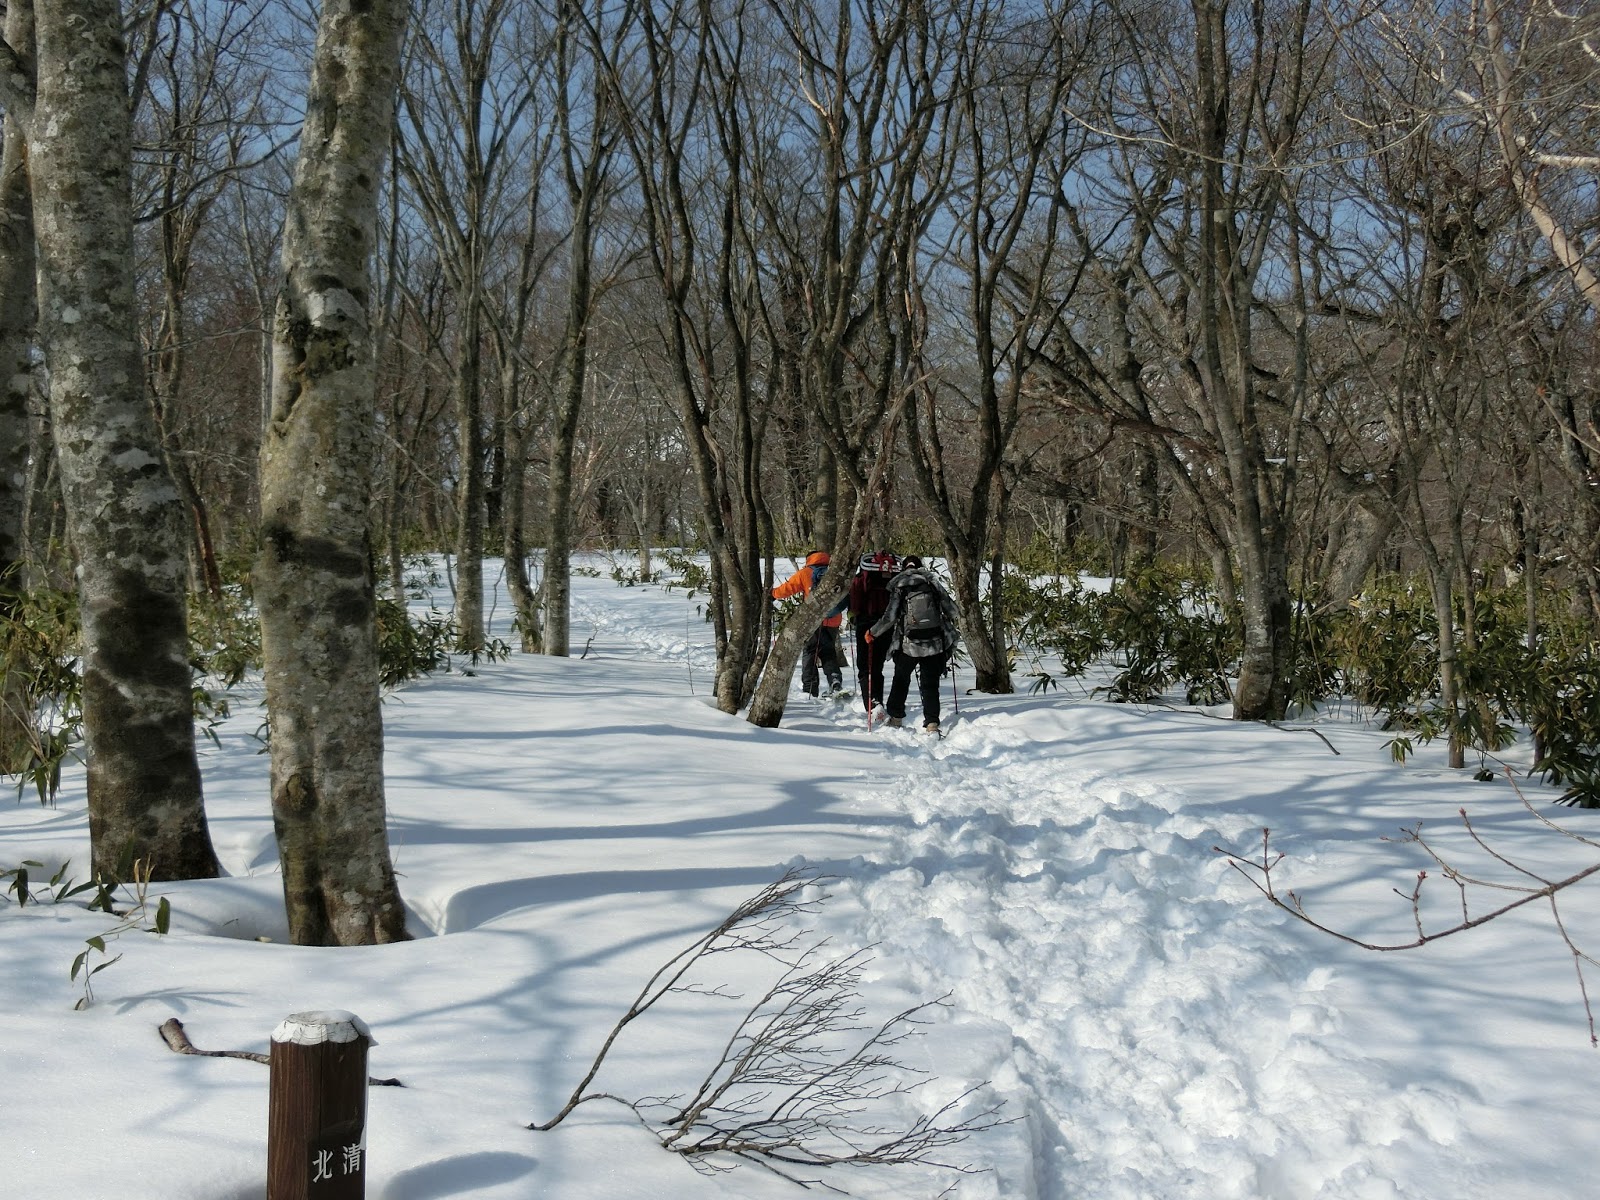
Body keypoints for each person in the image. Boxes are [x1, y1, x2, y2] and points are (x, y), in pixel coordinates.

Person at [865, 555, 960, 731]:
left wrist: (873, 632)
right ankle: (932, 722)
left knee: (901, 680)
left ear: (903, 568)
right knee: (930, 683)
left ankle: (896, 717)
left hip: (908, 645)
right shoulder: (932, 583)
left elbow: (890, 617)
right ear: (920, 567)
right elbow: (953, 610)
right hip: (934, 643)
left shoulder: (900, 586)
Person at [771, 550, 844, 696]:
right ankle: (835, 680)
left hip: (813, 620)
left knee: (810, 652)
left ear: (809, 559)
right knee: (828, 651)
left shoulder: (806, 572)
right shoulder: (834, 572)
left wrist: (773, 594)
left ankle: (810, 688)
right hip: (834, 619)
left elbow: (789, 588)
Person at [848, 550, 900, 717]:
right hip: (887, 624)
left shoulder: (861, 577)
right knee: (877, 665)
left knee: (865, 666)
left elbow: (855, 603)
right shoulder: (893, 577)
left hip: (866, 624)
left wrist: (853, 616)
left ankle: (872, 705)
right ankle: (877, 702)